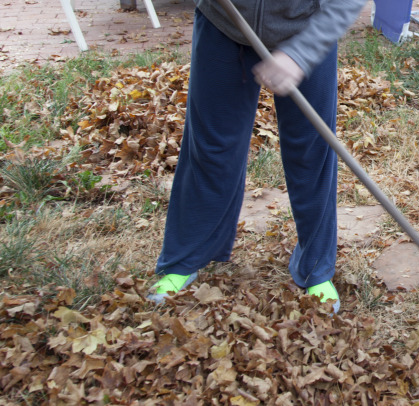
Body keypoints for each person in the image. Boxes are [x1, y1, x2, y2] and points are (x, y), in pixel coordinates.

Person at [147, 0, 368, 314]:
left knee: (311, 152)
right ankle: (184, 260)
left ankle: (315, 267)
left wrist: (300, 54)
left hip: (306, 27)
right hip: (224, 22)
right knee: (211, 148)